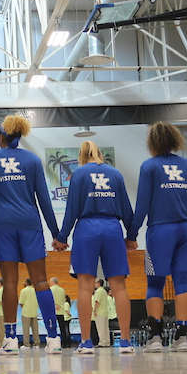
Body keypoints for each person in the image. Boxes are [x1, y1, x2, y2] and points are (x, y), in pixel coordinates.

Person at [0, 114, 66, 354]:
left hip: (3, 225)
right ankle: (53, 338)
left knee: (9, 282)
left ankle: (10, 339)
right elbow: (43, 199)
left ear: (1, 137)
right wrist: (57, 233)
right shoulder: (32, 160)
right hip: (30, 224)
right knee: (40, 280)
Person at [127, 121, 187, 353]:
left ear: (152, 142)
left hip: (161, 229)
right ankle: (182, 338)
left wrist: (132, 234)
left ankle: (156, 337)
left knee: (155, 283)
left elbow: (142, 205)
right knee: (182, 281)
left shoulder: (149, 166)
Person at [57, 139, 135, 355]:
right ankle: (126, 342)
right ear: (100, 154)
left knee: (85, 287)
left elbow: (72, 208)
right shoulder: (116, 174)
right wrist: (132, 235)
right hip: (112, 227)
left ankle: (85, 342)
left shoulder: (79, 174)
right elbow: (127, 208)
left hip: (86, 228)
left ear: (82, 156)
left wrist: (62, 236)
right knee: (119, 287)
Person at [51, 278, 72, 348]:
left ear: (52, 282)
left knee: (52, 327)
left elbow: (50, 299)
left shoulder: (50, 289)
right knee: (62, 328)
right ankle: (65, 343)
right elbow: (63, 300)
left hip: (53, 311)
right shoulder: (62, 290)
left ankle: (53, 343)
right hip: (61, 311)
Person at [18, 279, 38, 347]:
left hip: (26, 312)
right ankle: (36, 344)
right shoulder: (35, 290)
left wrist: (23, 308)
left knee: (26, 330)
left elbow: (21, 302)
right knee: (35, 329)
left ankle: (26, 344)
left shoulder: (23, 291)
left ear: (26, 283)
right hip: (34, 311)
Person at [92, 279, 112, 347]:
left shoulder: (98, 291)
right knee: (106, 328)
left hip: (100, 312)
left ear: (98, 283)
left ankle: (102, 342)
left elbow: (97, 301)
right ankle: (107, 342)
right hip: (105, 312)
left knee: (101, 328)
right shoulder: (104, 291)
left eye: (95, 282)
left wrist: (94, 310)